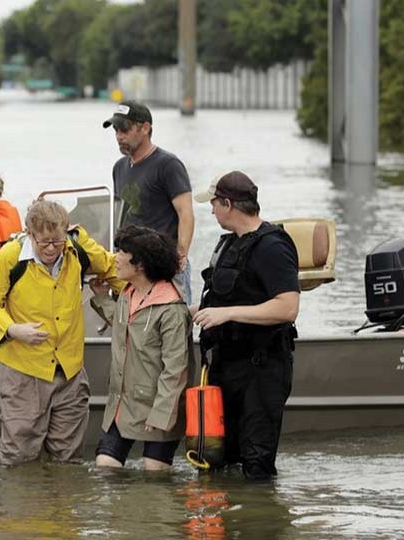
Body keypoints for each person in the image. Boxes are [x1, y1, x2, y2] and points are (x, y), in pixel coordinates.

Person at [0, 200, 122, 466]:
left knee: (69, 457)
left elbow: (114, 268)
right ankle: (23, 507)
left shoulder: (77, 247)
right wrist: (14, 329)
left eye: (58, 241)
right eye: (44, 243)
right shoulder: (9, 256)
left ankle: (61, 507)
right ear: (30, 234)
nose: (52, 249)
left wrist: (145, 296)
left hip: (70, 370)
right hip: (23, 370)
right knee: (18, 456)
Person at [192, 171, 300, 481]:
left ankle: (261, 522)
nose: (211, 210)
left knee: (256, 464)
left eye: (213, 204)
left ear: (228, 203)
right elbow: (233, 297)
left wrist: (227, 314)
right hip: (227, 367)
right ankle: (232, 521)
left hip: (262, 369)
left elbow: (287, 307)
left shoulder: (272, 246)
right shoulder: (229, 244)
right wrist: (195, 311)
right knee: (218, 461)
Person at [90, 225, 192, 471]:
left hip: (159, 406)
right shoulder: (127, 293)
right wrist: (102, 298)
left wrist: (161, 414)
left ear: (141, 265)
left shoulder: (172, 309)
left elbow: (176, 369)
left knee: (154, 474)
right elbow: (126, 327)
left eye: (122, 252)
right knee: (105, 466)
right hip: (123, 404)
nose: (115, 257)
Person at [103, 100, 195, 302]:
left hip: (162, 265)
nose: (119, 137)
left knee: (172, 325)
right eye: (116, 131)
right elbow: (119, 215)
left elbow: (185, 213)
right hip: (130, 266)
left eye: (125, 130)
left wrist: (181, 256)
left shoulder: (168, 165)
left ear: (145, 128)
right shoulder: (119, 167)